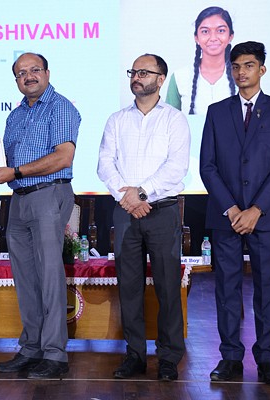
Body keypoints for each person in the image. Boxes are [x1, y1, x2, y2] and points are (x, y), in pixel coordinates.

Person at [200, 41, 270, 385]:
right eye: (236, 66)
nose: (242, 72)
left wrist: (256, 209)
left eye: (249, 65)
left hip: (265, 218)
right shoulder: (216, 112)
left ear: (262, 69)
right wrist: (232, 209)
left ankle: (267, 359)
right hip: (225, 216)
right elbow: (207, 166)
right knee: (226, 289)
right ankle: (230, 357)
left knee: (267, 290)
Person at [0, 52, 81, 379]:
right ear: (16, 80)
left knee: (49, 275)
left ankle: (54, 354)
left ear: (47, 73)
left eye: (34, 70)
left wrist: (15, 171)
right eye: (21, 73)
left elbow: (63, 157)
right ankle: (31, 348)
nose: (28, 76)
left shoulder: (60, 107)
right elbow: (4, 161)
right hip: (19, 199)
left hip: (48, 194)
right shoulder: (15, 115)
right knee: (26, 278)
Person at [97, 54, 190, 381]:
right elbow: (105, 163)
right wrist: (128, 197)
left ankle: (168, 358)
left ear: (161, 79)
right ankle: (135, 355)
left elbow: (176, 167)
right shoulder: (117, 120)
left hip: (162, 211)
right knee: (129, 288)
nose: (136, 77)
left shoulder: (174, 119)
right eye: (133, 72)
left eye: (144, 72)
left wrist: (142, 193)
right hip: (125, 213)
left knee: (167, 287)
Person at [166, 6, 236, 115]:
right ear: (196, 38)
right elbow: (168, 120)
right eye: (205, 31)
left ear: (230, 36)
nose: (213, 38)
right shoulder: (180, 77)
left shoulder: (242, 75)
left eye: (221, 30)